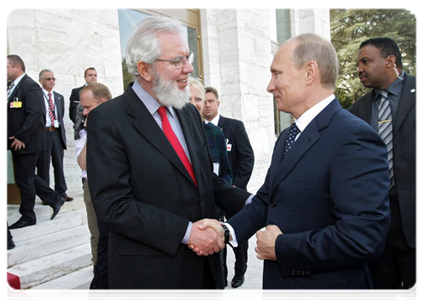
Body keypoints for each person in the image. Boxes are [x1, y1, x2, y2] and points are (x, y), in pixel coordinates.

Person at [196, 33, 391, 300]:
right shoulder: (288, 137)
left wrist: (282, 247)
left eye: (277, 74)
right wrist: (227, 231)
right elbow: (267, 199)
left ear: (310, 72)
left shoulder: (354, 137)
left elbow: (363, 238)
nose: (269, 86)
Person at [86, 16, 250, 300]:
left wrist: (252, 203)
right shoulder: (108, 120)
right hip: (152, 280)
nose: (189, 69)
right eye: (177, 61)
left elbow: (203, 180)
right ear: (144, 69)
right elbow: (114, 205)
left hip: (204, 274)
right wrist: (187, 232)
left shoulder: (186, 111)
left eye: (188, 58)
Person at [350, 37, 420, 300]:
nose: (359, 69)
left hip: (416, 221)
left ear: (390, 61)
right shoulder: (358, 110)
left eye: (365, 62)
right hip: (376, 224)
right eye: (358, 63)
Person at [6, 55, 65, 229]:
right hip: (15, 140)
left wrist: (21, 137)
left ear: (17, 67)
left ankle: (28, 215)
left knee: (24, 179)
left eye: (6, 67)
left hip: (26, 141)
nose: (4, 71)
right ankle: (54, 198)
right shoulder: (10, 87)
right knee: (27, 175)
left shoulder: (30, 87)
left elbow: (35, 115)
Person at [203, 86, 254, 288]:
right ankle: (220, 274)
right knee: (217, 237)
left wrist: (234, 188)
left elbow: (247, 158)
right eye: (202, 101)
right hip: (211, 197)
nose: (206, 105)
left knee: (238, 237)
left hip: (231, 191)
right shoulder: (195, 130)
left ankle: (240, 271)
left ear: (218, 103)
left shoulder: (233, 126)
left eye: (210, 101)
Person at [77, 83, 113, 300]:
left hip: (119, 190)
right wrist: (92, 132)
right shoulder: (85, 129)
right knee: (97, 235)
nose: (84, 112)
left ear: (102, 103)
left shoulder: (123, 123)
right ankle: (98, 271)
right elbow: (83, 163)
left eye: (88, 107)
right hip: (92, 187)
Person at [37, 69, 73, 202]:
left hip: (56, 134)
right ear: (41, 81)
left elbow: (60, 115)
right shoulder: (37, 96)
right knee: (43, 166)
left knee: (59, 164)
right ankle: (46, 196)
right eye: (48, 79)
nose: (51, 81)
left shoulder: (59, 97)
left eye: (53, 79)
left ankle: (61, 191)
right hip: (43, 134)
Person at [189, 78, 233, 185]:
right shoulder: (172, 133)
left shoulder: (214, 132)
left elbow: (226, 172)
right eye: (188, 99)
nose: (193, 104)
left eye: (198, 99)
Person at [69, 67, 97, 139]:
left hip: (98, 128)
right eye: (90, 75)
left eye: (95, 75)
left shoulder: (101, 92)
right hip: (82, 129)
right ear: (85, 77)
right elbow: (72, 112)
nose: (93, 77)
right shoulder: (76, 92)